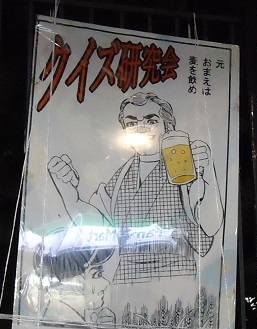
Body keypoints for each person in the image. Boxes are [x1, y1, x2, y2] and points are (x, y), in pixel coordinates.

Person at [47, 92, 223, 284]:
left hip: (176, 277)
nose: (140, 128)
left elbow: (211, 226)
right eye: (131, 123)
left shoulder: (184, 167)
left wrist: (208, 172)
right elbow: (99, 224)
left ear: (167, 126)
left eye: (151, 121)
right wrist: (69, 193)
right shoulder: (123, 174)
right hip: (125, 278)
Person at [20, 236, 115, 326]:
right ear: (77, 282)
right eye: (97, 275)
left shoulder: (50, 321)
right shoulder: (65, 326)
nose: (107, 283)